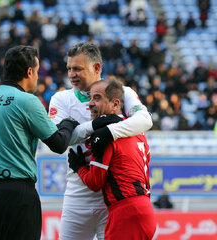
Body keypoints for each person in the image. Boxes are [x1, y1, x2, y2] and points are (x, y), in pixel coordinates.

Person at [0, 45, 79, 240]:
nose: (38, 77)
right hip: (16, 193)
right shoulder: (27, 101)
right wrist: (67, 124)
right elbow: (58, 145)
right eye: (38, 71)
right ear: (29, 71)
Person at [48, 42, 152, 240]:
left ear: (96, 68)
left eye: (78, 69)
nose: (71, 74)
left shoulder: (123, 92)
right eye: (69, 68)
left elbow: (145, 120)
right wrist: (95, 127)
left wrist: (108, 132)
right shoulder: (61, 99)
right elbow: (58, 141)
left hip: (113, 197)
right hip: (77, 194)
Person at [68, 79, 156, 240]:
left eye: (97, 98)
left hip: (125, 213)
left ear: (115, 104)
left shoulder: (106, 134)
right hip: (146, 210)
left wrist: (79, 166)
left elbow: (95, 182)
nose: (90, 104)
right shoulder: (137, 128)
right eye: (90, 98)